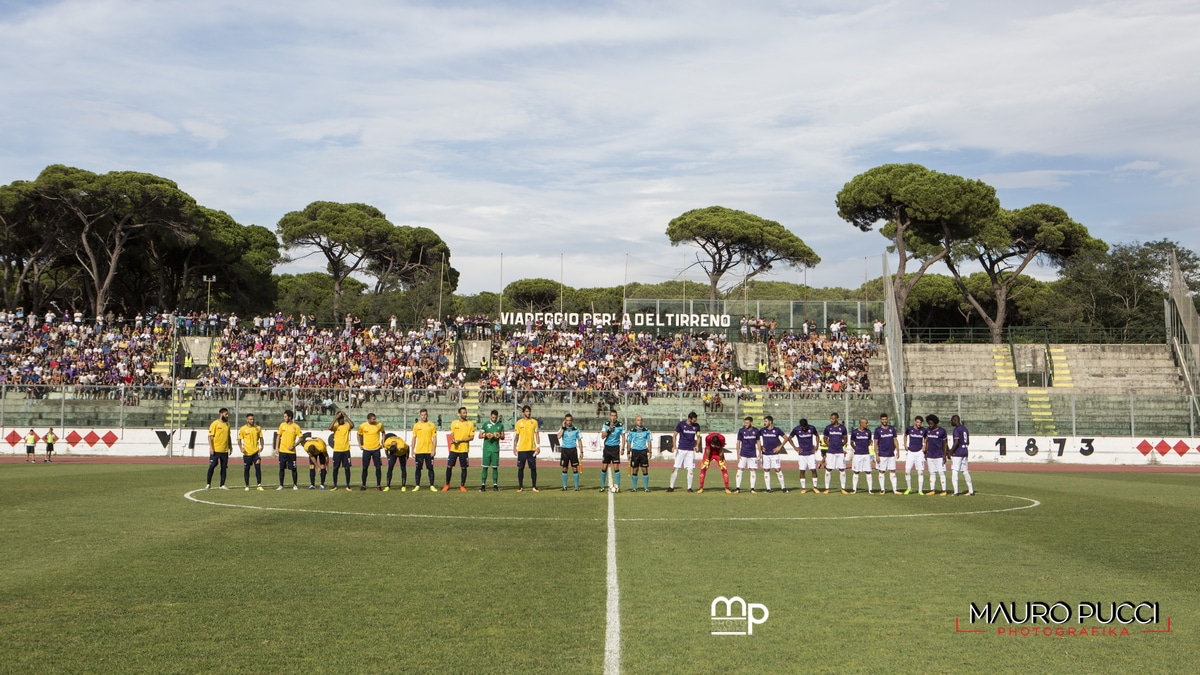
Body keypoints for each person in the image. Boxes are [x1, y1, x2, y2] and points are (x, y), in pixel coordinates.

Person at [668, 412, 700, 493]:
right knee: (676, 467)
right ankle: (671, 487)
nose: (695, 422)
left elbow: (698, 436)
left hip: (690, 450)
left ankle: (689, 488)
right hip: (681, 449)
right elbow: (674, 435)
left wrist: (697, 445)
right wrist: (674, 445)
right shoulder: (681, 424)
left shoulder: (697, 426)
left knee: (690, 469)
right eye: (694, 420)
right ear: (689, 419)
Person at [444, 407, 474, 492]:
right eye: (463, 413)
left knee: (463, 468)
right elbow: (452, 434)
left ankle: (462, 485)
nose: (465, 414)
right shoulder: (454, 423)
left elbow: (471, 437)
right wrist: (453, 440)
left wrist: (461, 440)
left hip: (464, 450)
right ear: (459, 414)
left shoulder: (470, 424)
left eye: (465, 412)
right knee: (449, 466)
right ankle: (447, 484)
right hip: (454, 449)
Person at [787, 418, 820, 493]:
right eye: (803, 427)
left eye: (805, 427)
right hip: (802, 454)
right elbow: (789, 438)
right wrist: (795, 447)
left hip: (811, 453)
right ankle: (803, 488)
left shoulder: (812, 428)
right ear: (800, 426)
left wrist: (817, 445)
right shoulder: (796, 429)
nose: (804, 428)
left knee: (813, 469)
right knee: (802, 470)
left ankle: (815, 487)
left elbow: (817, 435)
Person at [513, 405, 540, 492]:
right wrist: (514, 447)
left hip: (532, 449)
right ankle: (520, 486)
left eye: (529, 411)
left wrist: (538, 447)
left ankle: (534, 486)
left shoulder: (534, 422)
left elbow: (537, 435)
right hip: (522, 449)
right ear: (523, 412)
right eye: (527, 411)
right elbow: (516, 436)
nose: (528, 413)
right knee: (521, 468)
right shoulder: (519, 423)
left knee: (533, 468)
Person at [410, 408, 438, 491]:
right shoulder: (416, 425)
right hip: (419, 451)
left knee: (430, 468)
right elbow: (414, 438)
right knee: (418, 468)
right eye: (422, 415)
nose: (424, 416)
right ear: (420, 415)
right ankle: (417, 485)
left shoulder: (432, 425)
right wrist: (412, 449)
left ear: (427, 415)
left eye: (425, 415)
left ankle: (432, 485)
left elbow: (434, 438)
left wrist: (434, 450)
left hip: (429, 451)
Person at [758, 416, 787, 493]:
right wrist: (760, 446)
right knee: (766, 470)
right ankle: (768, 489)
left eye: (766, 421)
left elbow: (786, 438)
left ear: (770, 422)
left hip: (774, 454)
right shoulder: (762, 430)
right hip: (765, 454)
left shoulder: (777, 430)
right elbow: (756, 438)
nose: (764, 423)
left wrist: (780, 446)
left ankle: (783, 488)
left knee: (777, 469)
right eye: (764, 421)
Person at [822, 412, 849, 494]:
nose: (831, 420)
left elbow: (845, 439)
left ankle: (843, 488)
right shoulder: (828, 428)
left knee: (842, 469)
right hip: (830, 452)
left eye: (833, 419)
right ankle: (827, 488)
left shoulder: (842, 428)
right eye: (830, 418)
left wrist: (842, 444)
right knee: (829, 469)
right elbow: (825, 438)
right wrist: (829, 445)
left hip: (840, 452)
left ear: (837, 418)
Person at [873, 413, 900, 494]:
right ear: (880, 420)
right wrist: (876, 455)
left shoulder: (892, 429)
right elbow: (875, 443)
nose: (884, 421)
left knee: (892, 471)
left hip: (891, 454)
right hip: (882, 454)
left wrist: (898, 451)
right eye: (883, 419)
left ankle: (895, 490)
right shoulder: (877, 430)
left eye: (885, 419)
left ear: (887, 419)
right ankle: (882, 489)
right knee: (881, 471)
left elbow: (895, 440)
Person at [478, 409, 504, 491]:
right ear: (490, 416)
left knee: (495, 467)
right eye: (493, 417)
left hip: (495, 449)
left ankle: (495, 485)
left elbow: (503, 437)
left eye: (495, 418)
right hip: (486, 449)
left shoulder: (500, 425)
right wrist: (486, 435)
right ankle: (483, 485)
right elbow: (479, 436)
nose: (494, 419)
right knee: (485, 467)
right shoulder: (485, 424)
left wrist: (499, 435)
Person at [276, 410, 302, 490]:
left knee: (293, 468)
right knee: (281, 468)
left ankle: (295, 484)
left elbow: (301, 437)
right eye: (284, 416)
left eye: (285, 416)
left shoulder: (296, 427)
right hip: (282, 451)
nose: (284, 418)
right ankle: (281, 485)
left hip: (291, 452)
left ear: (290, 417)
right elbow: (278, 436)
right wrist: (277, 447)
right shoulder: (282, 425)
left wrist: (294, 445)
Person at [358, 412, 385, 491]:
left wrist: (382, 442)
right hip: (366, 450)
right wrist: (360, 444)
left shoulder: (379, 425)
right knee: (365, 468)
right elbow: (359, 434)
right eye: (373, 419)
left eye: (375, 419)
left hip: (376, 449)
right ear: (369, 419)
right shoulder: (363, 426)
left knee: (378, 468)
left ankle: (378, 485)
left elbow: (383, 432)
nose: (375, 420)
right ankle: (363, 485)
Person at [625, 415, 652, 492]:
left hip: (643, 451)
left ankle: (646, 488)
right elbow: (629, 442)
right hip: (635, 452)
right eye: (638, 420)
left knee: (644, 470)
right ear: (635, 421)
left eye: (641, 420)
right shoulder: (631, 431)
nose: (639, 421)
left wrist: (650, 451)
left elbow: (649, 441)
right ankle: (634, 488)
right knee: (635, 469)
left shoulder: (646, 431)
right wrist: (628, 452)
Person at [923, 414, 949, 496]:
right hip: (930, 455)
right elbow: (926, 440)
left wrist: (945, 455)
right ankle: (932, 490)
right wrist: (925, 452)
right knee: (932, 473)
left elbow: (945, 444)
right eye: (929, 423)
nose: (930, 425)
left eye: (931, 423)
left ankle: (944, 490)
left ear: (935, 422)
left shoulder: (942, 431)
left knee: (941, 473)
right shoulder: (927, 430)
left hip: (939, 455)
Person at [206, 408, 232, 489]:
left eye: (227, 414)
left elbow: (228, 436)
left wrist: (230, 446)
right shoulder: (215, 424)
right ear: (221, 414)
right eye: (226, 414)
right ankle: (208, 484)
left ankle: (222, 484)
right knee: (212, 465)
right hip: (216, 449)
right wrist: (211, 448)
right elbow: (210, 436)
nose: (227, 416)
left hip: (224, 450)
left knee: (224, 467)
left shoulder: (227, 424)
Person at [733, 416, 760, 494]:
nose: (746, 424)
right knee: (740, 469)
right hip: (743, 454)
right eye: (745, 423)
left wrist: (760, 452)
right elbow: (738, 442)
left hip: (752, 454)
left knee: (752, 470)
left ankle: (752, 489)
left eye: (747, 423)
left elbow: (758, 442)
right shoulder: (741, 431)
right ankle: (737, 488)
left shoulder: (756, 431)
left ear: (751, 422)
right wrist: (738, 453)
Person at [238, 413, 264, 491]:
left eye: (253, 419)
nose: (252, 421)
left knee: (258, 467)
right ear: (247, 420)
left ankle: (259, 484)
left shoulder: (258, 428)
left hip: (256, 452)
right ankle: (247, 485)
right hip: (247, 453)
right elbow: (239, 440)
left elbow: (261, 438)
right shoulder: (243, 429)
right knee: (247, 469)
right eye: (250, 419)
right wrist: (241, 448)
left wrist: (262, 446)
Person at [949, 414, 975, 496]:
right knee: (965, 471)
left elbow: (956, 442)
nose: (951, 422)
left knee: (955, 470)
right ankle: (971, 491)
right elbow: (968, 442)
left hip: (958, 452)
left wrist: (951, 451)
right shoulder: (965, 429)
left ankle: (955, 491)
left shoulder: (956, 430)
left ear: (954, 420)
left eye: (952, 420)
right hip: (965, 451)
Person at [599, 410, 624, 492]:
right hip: (607, 448)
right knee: (604, 467)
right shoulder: (606, 424)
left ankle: (618, 487)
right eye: (612, 415)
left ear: (617, 416)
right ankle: (602, 486)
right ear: (610, 416)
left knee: (616, 467)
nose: (613, 417)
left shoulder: (620, 425)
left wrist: (623, 448)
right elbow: (602, 436)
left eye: (615, 415)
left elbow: (623, 437)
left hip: (615, 448)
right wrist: (609, 429)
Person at [328, 411, 354, 491]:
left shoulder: (346, 426)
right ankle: (335, 485)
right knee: (335, 468)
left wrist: (345, 415)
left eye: (341, 419)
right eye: (339, 419)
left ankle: (348, 485)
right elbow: (329, 428)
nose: (340, 420)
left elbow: (352, 425)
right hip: (337, 450)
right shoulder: (335, 426)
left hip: (346, 450)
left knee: (347, 468)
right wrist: (335, 418)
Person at [848, 418, 875, 494]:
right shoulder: (855, 432)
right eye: (866, 423)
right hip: (857, 455)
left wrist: (866, 446)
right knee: (856, 471)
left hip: (866, 454)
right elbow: (852, 442)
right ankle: (854, 489)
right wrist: (856, 449)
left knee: (868, 471)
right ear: (861, 423)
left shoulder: (868, 432)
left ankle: (870, 489)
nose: (867, 424)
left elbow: (870, 441)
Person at [903, 416, 927, 495]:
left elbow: (926, 437)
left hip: (919, 453)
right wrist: (905, 445)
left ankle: (920, 490)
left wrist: (924, 444)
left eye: (920, 422)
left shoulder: (923, 430)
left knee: (920, 472)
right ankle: (909, 488)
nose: (918, 424)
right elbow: (905, 435)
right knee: (907, 471)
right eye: (917, 422)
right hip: (910, 452)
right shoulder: (910, 429)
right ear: (915, 422)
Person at [558, 414, 583, 491]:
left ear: (572, 420)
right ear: (565, 421)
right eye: (567, 420)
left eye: (570, 420)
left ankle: (576, 486)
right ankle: (564, 486)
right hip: (565, 450)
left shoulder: (576, 429)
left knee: (575, 468)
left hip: (573, 450)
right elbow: (558, 436)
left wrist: (581, 451)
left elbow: (579, 441)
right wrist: (562, 427)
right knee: (564, 468)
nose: (568, 422)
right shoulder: (562, 429)